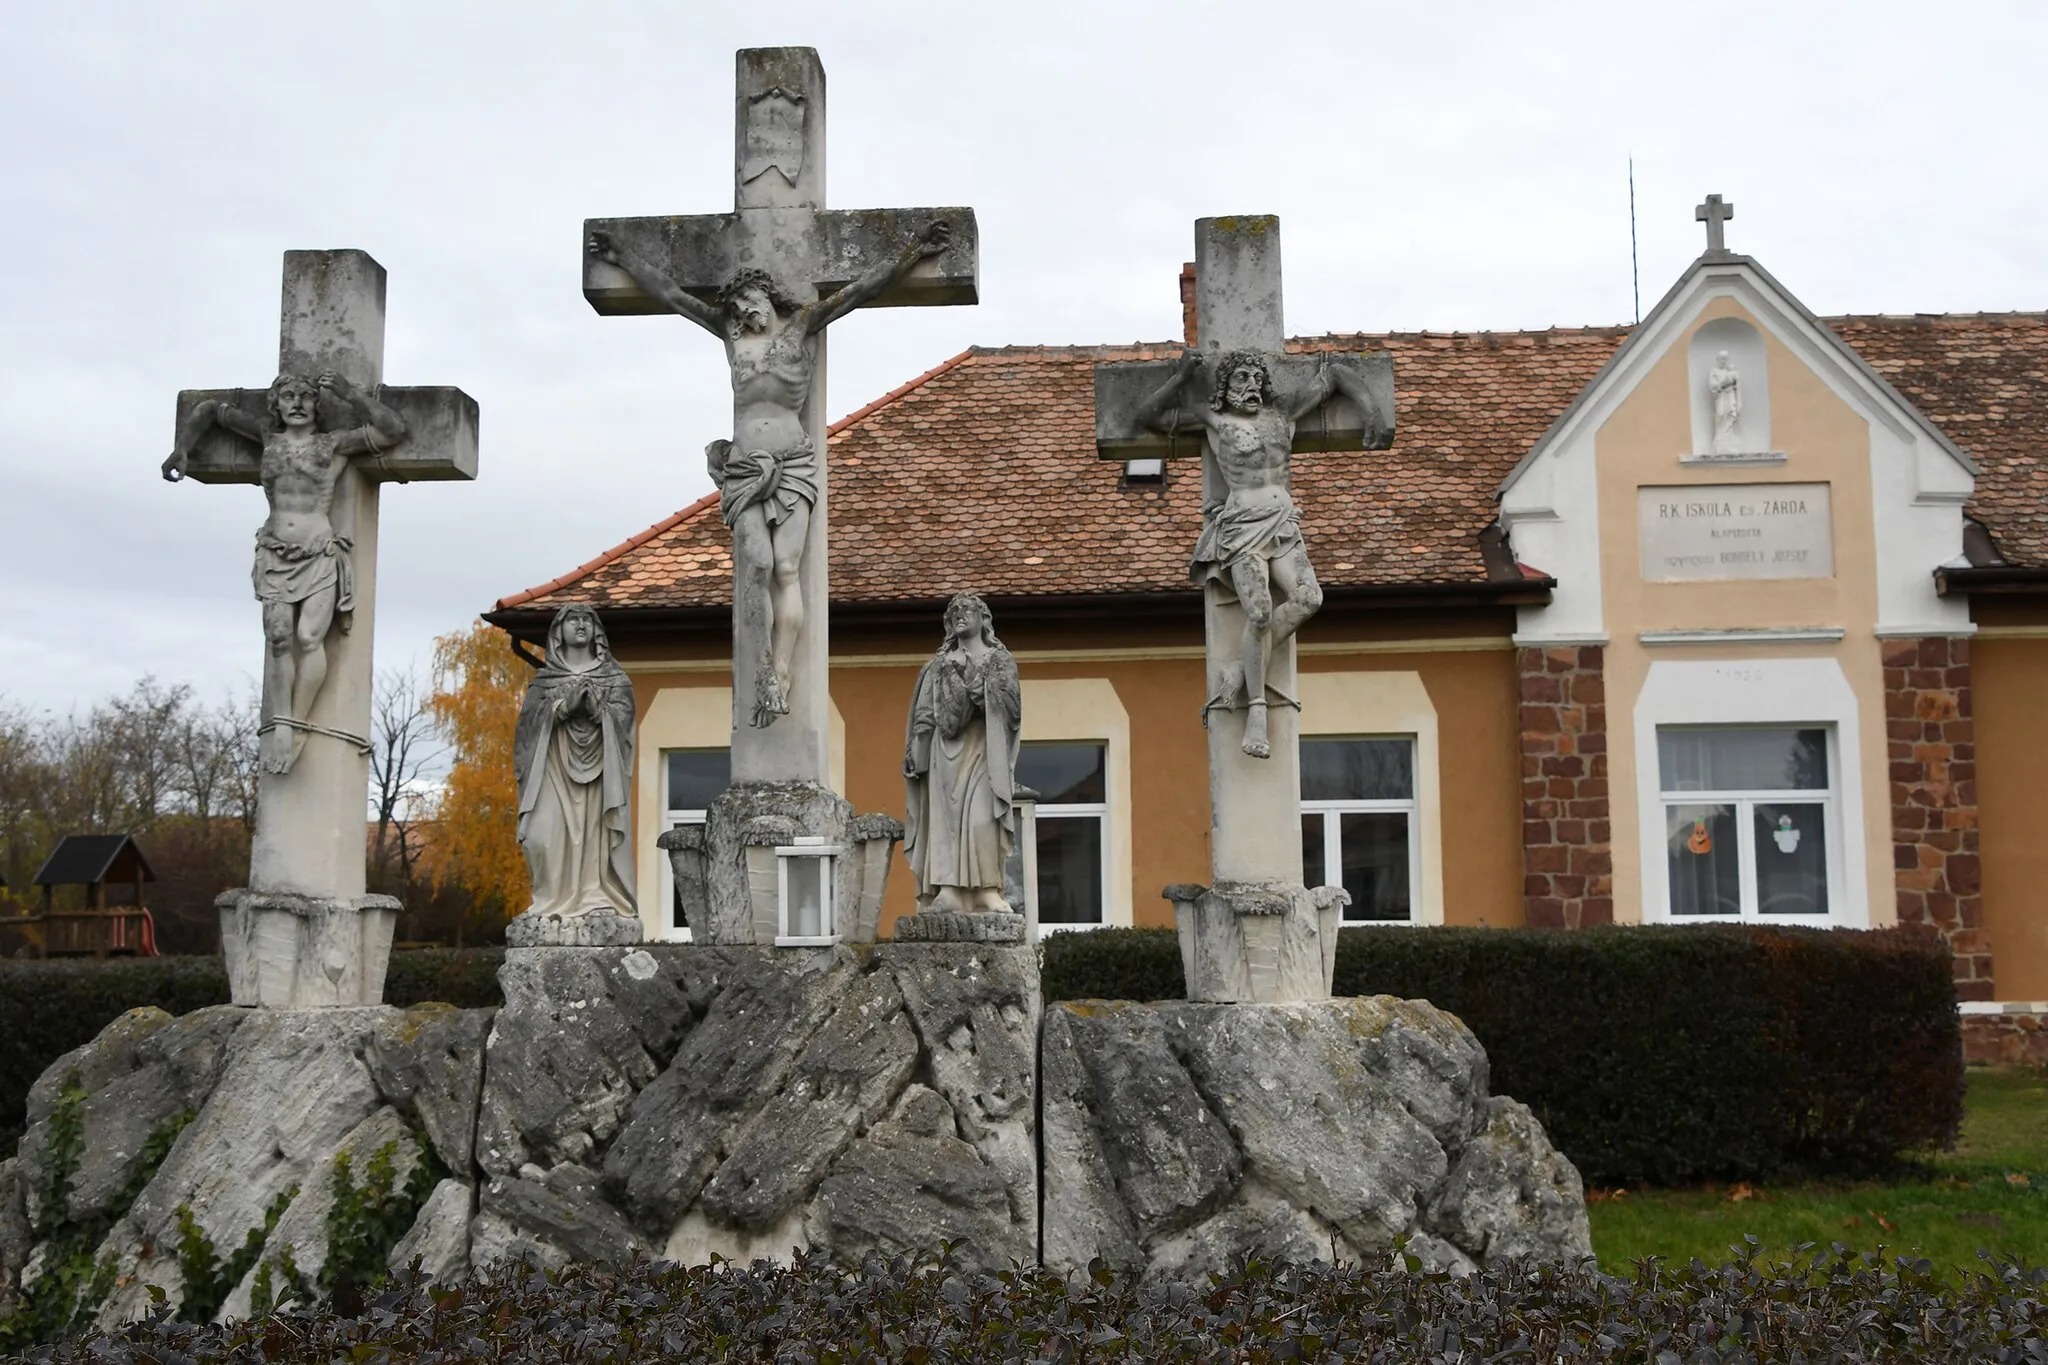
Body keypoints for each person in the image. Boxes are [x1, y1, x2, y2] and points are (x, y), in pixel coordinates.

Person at [588, 220, 950, 728]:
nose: (743, 313)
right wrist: (623, 258)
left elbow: (862, 288)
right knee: (755, 564)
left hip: (794, 464)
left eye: (750, 302)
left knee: (785, 568)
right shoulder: (732, 339)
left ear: (768, 296)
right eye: (736, 309)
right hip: (743, 468)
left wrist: (913, 251)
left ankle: (781, 675)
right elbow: (671, 294)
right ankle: (760, 671)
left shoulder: (802, 324)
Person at [1135, 347, 1383, 758]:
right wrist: (1180, 377)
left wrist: (1370, 409)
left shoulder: (1282, 416)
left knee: (1309, 598)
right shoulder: (1214, 420)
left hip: (1283, 524)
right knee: (1261, 612)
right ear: (1225, 389)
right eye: (1240, 379)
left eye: (1255, 378)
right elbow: (1145, 416)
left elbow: (1335, 375)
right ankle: (1257, 709)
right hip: (1243, 530)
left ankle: (1239, 669)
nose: (1251, 386)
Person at [163, 372, 406, 774]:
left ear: (316, 405)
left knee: (310, 638)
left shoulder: (332, 444)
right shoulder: (267, 438)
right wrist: (182, 450)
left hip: (317, 552)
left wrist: (349, 393)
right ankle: (280, 725)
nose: (296, 403)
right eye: (287, 396)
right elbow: (208, 409)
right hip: (275, 553)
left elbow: (393, 429)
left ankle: (295, 723)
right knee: (278, 639)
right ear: (275, 405)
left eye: (305, 397)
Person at [513, 606, 637, 921]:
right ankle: (549, 901)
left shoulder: (614, 677)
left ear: (596, 631)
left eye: (587, 619)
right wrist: (560, 708)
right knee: (542, 834)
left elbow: (625, 721)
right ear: (559, 632)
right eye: (573, 619)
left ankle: (595, 897)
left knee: (596, 834)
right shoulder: (545, 680)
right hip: (552, 768)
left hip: (599, 773)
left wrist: (598, 710)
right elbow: (526, 730)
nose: (580, 624)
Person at [903, 594, 1022, 913]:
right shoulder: (938, 665)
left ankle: (987, 889)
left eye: (967, 610)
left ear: (984, 619)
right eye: (953, 611)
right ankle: (948, 889)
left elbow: (1010, 711)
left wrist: (975, 686)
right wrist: (917, 750)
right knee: (945, 822)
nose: (959, 615)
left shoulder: (999, 661)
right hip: (944, 756)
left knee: (983, 819)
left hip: (984, 752)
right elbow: (924, 713)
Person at [1708, 349, 1742, 453]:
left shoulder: (1728, 371)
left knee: (1731, 415)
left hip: (1730, 395)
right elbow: (1712, 385)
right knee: (1721, 415)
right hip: (1721, 397)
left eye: (1725, 359)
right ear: (1718, 359)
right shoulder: (1714, 372)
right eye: (1722, 358)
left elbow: (1736, 386)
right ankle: (1720, 439)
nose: (1724, 361)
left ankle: (1729, 439)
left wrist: (1734, 380)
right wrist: (1723, 383)